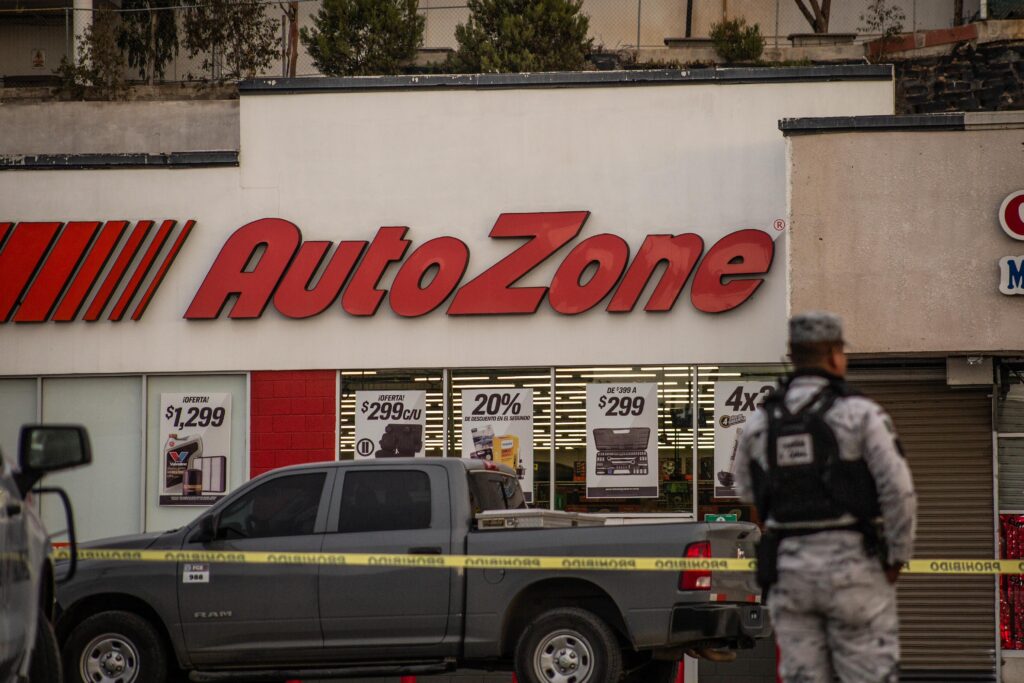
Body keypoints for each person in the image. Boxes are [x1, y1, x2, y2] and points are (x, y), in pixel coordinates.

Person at [734, 310, 917, 683]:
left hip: (789, 571)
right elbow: (899, 490)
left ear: (793, 354)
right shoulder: (860, 414)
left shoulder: (759, 422)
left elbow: (747, 491)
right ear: (835, 355)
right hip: (854, 569)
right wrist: (897, 556)